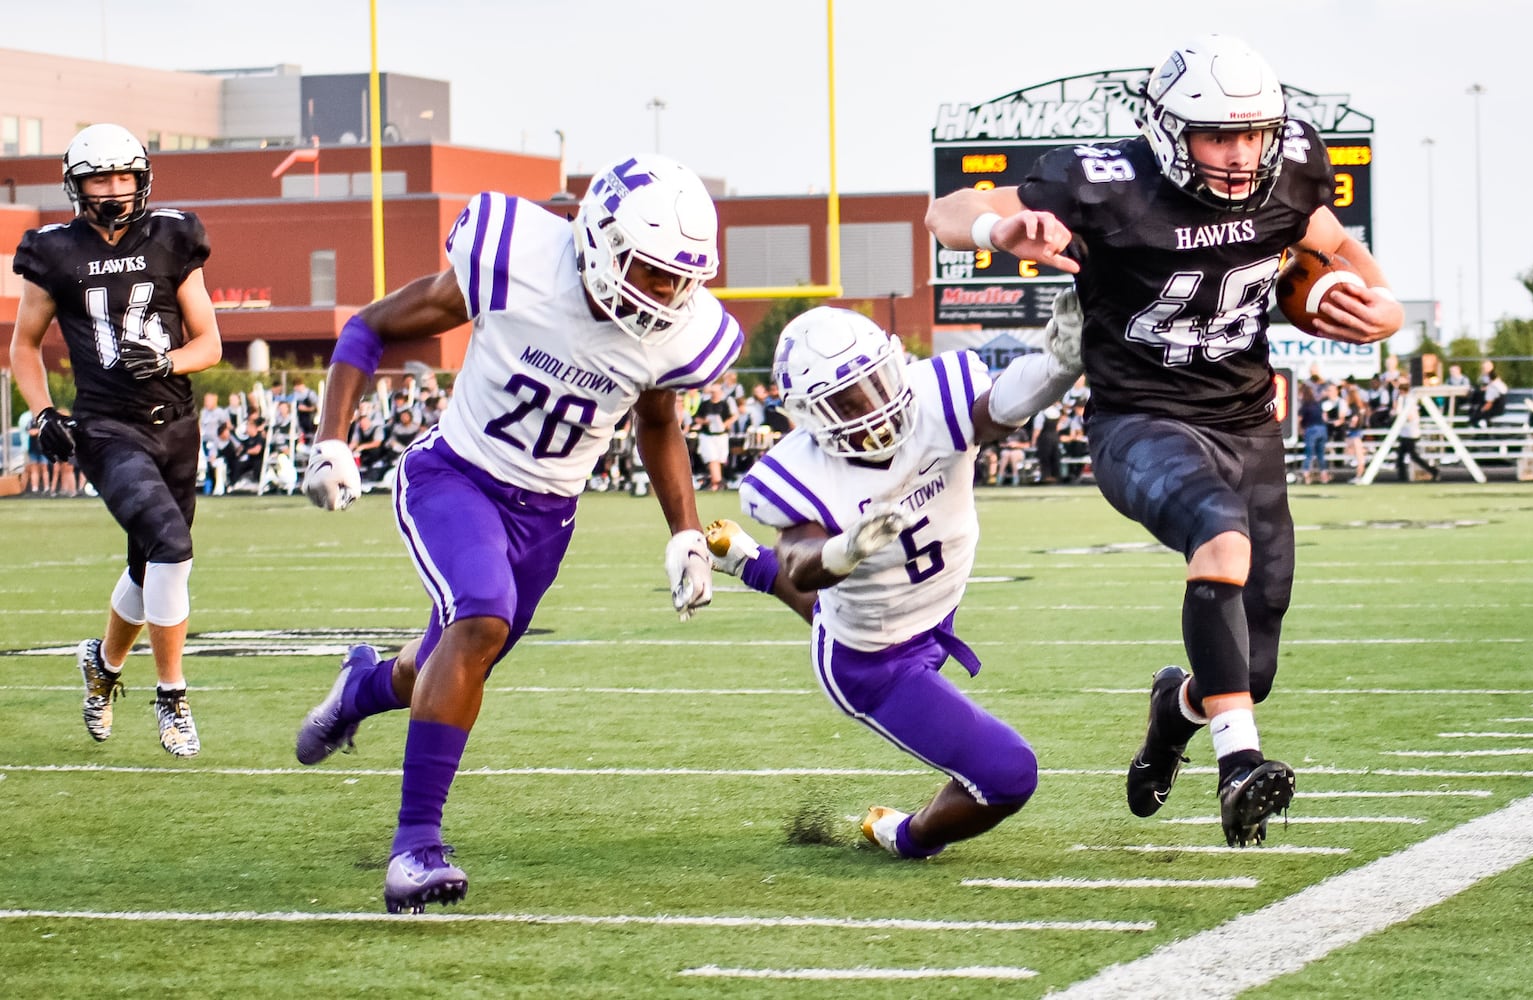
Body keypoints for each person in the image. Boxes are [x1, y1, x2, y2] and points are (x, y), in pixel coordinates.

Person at [924, 35, 1404, 846]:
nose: (1239, 153)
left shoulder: (1289, 166)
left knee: (1248, 672)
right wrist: (998, 233)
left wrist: (1383, 307)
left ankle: (1174, 713)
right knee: (1216, 536)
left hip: (1247, 422)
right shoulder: (1105, 181)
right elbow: (945, 212)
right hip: (1139, 418)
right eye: (1218, 134)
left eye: (1252, 133)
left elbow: (1332, 242)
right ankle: (1238, 764)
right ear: (1165, 128)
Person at [292, 153, 742, 914]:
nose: (666, 295)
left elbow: (658, 419)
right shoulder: (513, 257)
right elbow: (370, 326)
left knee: (445, 662)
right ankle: (414, 847)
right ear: (597, 241)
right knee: (481, 613)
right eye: (650, 271)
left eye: (679, 278)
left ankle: (360, 690)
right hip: (456, 477)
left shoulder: (678, 332)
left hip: (547, 519)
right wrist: (332, 438)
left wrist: (687, 533)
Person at [705, 306, 1079, 860]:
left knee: (847, 603)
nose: (875, 405)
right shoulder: (798, 473)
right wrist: (846, 547)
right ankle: (904, 836)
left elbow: (1000, 407)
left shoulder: (936, 396)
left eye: (877, 381)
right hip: (874, 664)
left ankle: (743, 561)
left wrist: (1059, 367)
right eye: (849, 399)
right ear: (809, 414)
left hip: (934, 602)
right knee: (1009, 773)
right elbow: (803, 563)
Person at [8, 123, 221, 756]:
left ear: (142, 178)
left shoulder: (172, 238)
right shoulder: (53, 250)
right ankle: (172, 698)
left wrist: (166, 363)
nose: (113, 188)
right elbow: (23, 344)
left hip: (176, 422)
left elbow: (209, 343)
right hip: (105, 427)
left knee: (147, 563)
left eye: (123, 175)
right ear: (76, 184)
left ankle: (103, 666)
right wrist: (45, 411)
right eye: (99, 176)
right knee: (171, 546)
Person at [1393, 380, 1439, 482]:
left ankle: (1432, 471)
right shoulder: (1405, 399)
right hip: (1406, 432)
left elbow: (1410, 416)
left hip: (1410, 432)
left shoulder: (1408, 400)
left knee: (1410, 456)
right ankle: (1403, 477)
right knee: (1403, 456)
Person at [1297, 381, 1328, 484]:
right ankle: (1324, 475)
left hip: (1311, 429)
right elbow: (1324, 417)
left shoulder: (1305, 406)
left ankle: (1307, 476)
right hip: (1322, 429)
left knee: (1309, 454)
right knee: (1321, 454)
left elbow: (1299, 419)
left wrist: (1300, 430)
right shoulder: (1317, 404)